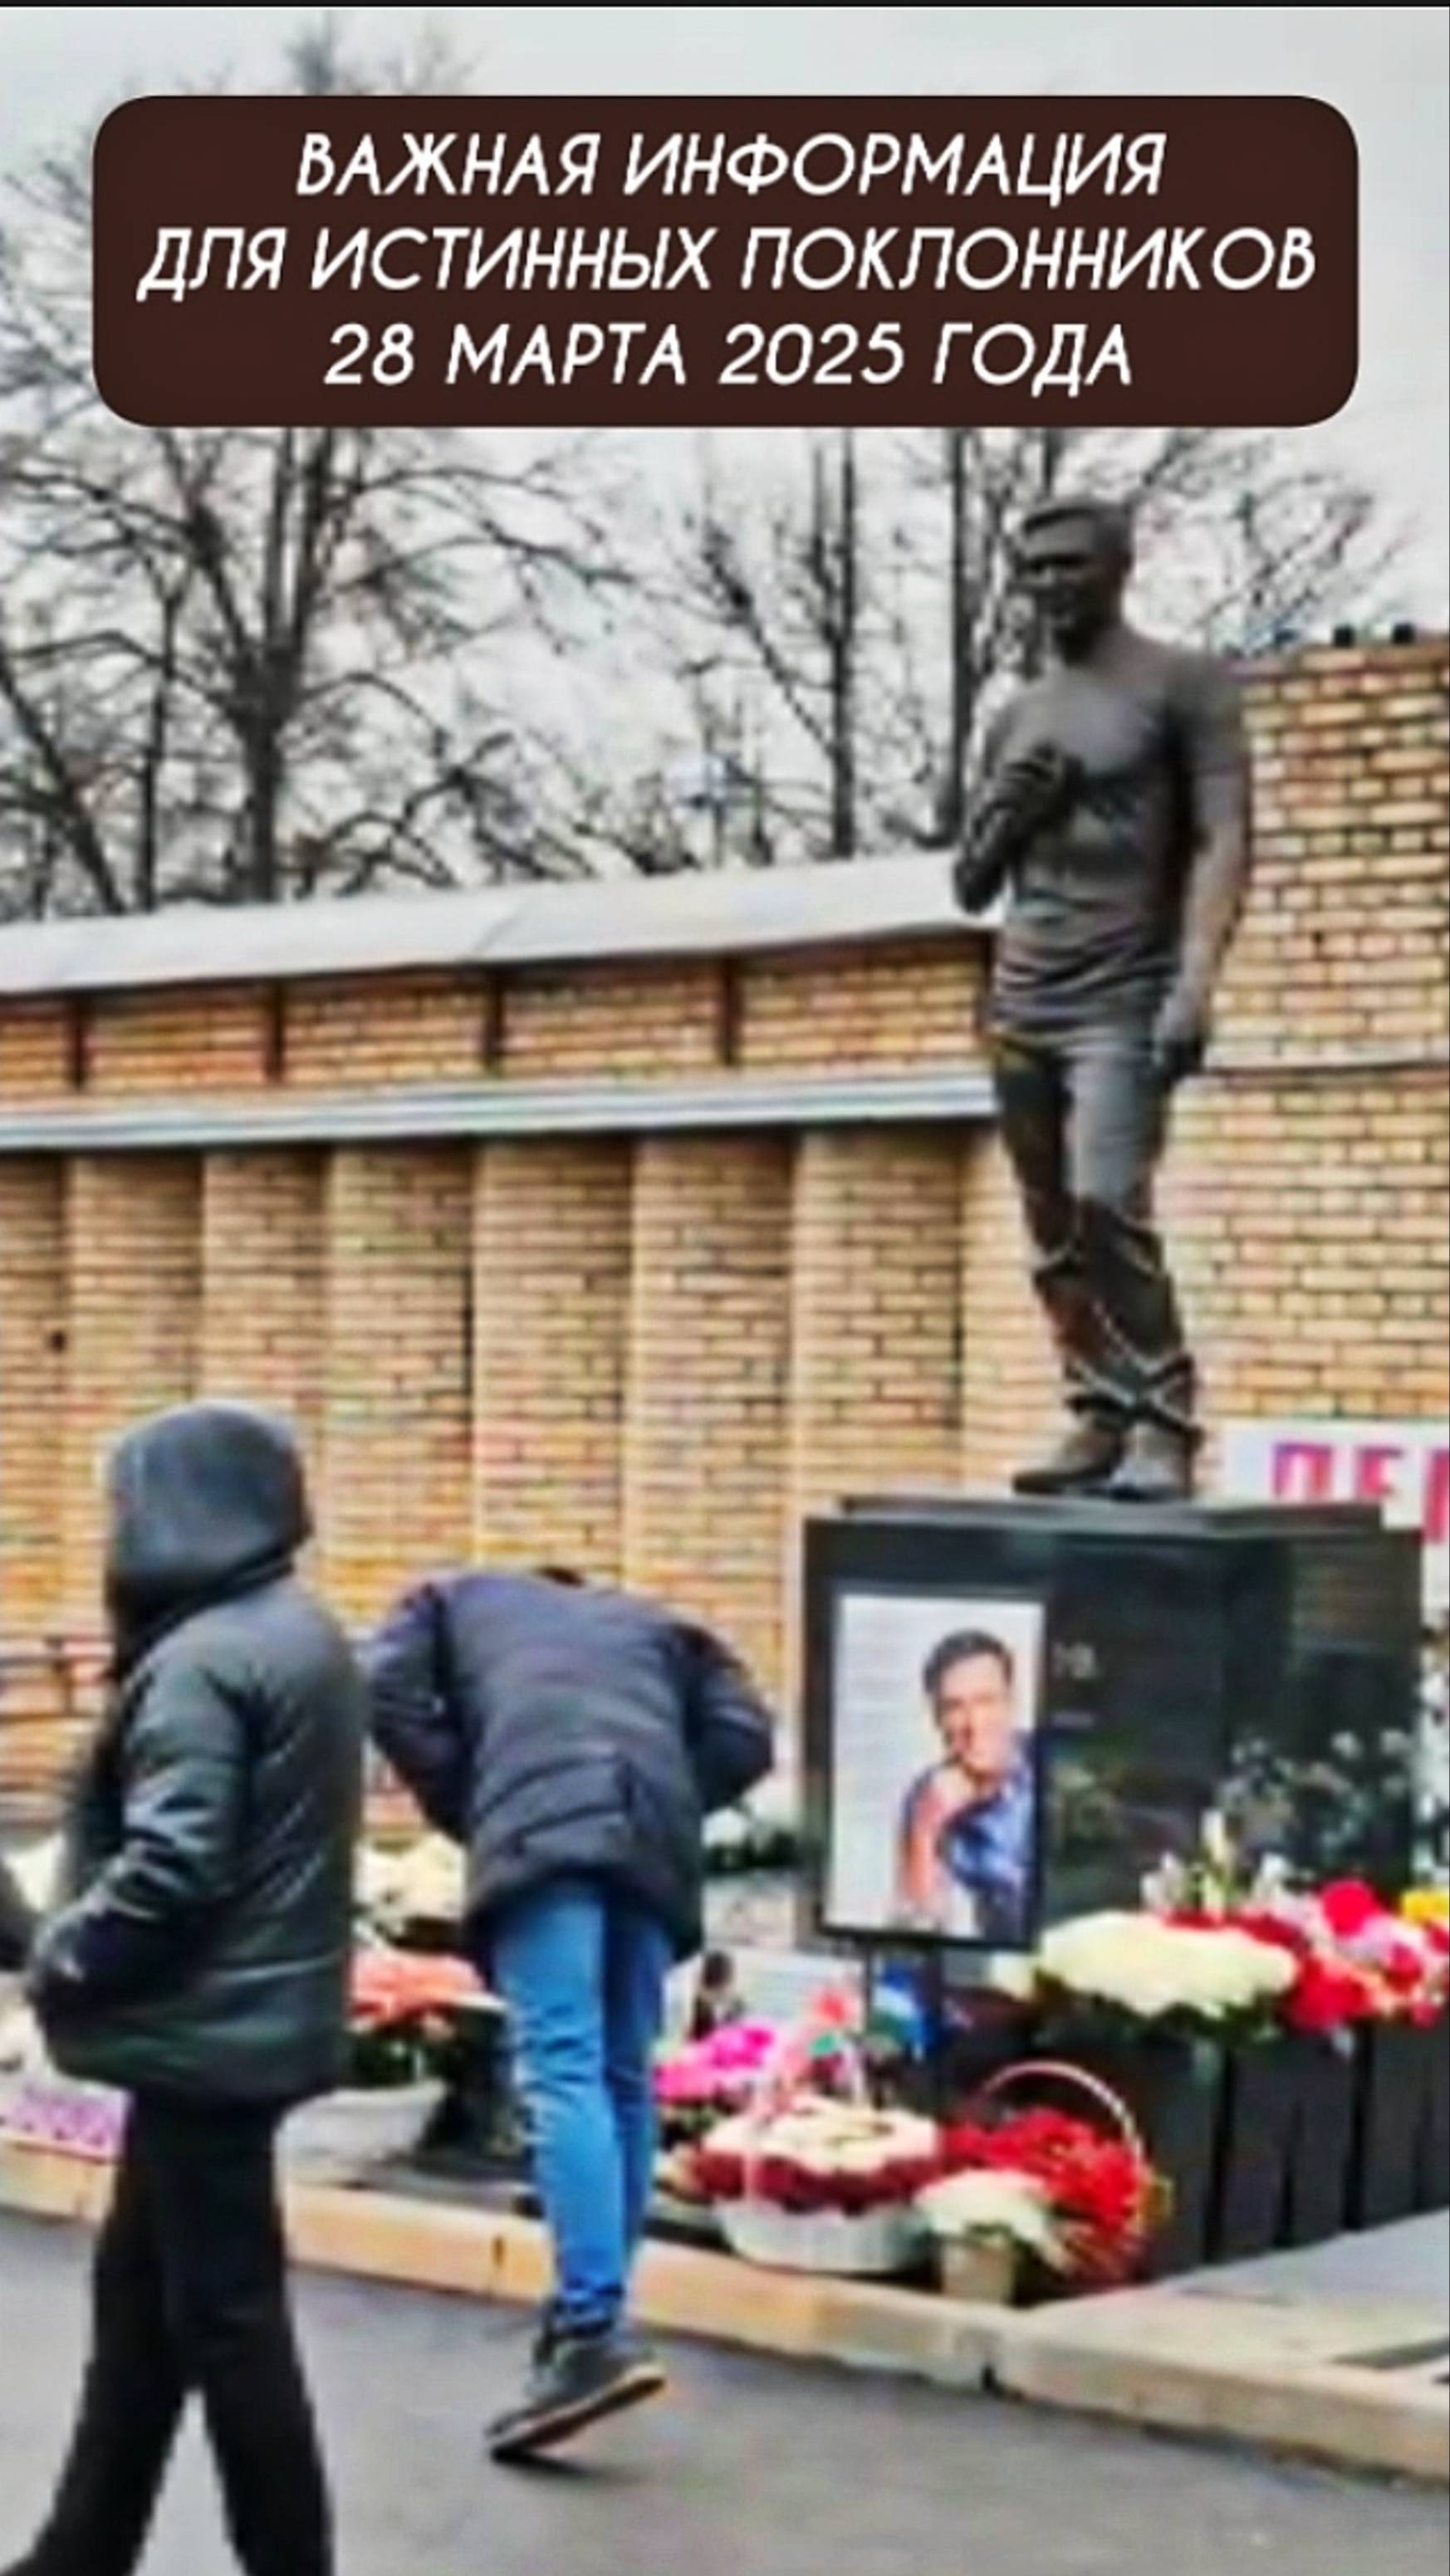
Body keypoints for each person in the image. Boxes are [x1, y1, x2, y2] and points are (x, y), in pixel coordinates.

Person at [3, 1402, 365, 2576]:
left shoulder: (204, 1659)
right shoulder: (293, 1629)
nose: (116, 1530)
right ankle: (79, 2553)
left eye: (127, 1504)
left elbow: (174, 1865)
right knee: (142, 2315)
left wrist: (61, 1955)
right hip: (236, 2028)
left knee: (230, 2328)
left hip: (208, 2039)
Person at [365, 1563, 775, 2464]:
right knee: (623, 2075)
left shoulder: (449, 1599)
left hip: (543, 1835)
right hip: (650, 1840)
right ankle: (591, 2321)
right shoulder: (654, 1625)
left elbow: (383, 1689)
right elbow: (746, 1735)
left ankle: (591, 2329)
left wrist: (475, 1797)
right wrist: (666, 1790)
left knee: (562, 2067)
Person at [954, 493, 1252, 1502]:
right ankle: (1097, 1409)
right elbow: (972, 885)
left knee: (1105, 1198)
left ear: (1119, 568)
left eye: (1070, 564)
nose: (1050, 585)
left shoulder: (1183, 685)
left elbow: (1222, 838)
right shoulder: (1017, 715)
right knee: (1050, 1224)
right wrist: (1011, 813)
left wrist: (1197, 979)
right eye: (1035, 569)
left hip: (1124, 993)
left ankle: (1165, 1417)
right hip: (1024, 995)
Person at [895, 1631, 1037, 1945]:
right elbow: (916, 1931)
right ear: (936, 1718)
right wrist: (925, 1831)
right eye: (955, 1708)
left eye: (986, 1702)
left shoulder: (1045, 1763)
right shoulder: (928, 1798)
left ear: (1012, 1703)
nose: (973, 1725)